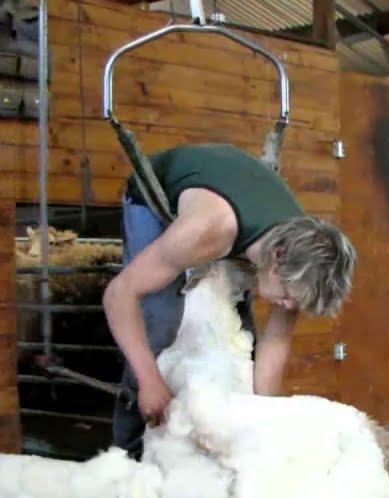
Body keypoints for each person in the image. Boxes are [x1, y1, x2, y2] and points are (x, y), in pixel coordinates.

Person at [102, 143, 357, 458]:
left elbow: (275, 343)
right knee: (160, 318)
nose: (289, 307)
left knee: (241, 337)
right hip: (156, 187)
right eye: (290, 297)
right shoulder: (208, 230)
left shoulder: (299, 260)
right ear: (277, 256)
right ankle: (128, 450)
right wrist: (149, 380)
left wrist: (268, 420)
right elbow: (119, 293)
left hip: (237, 189)